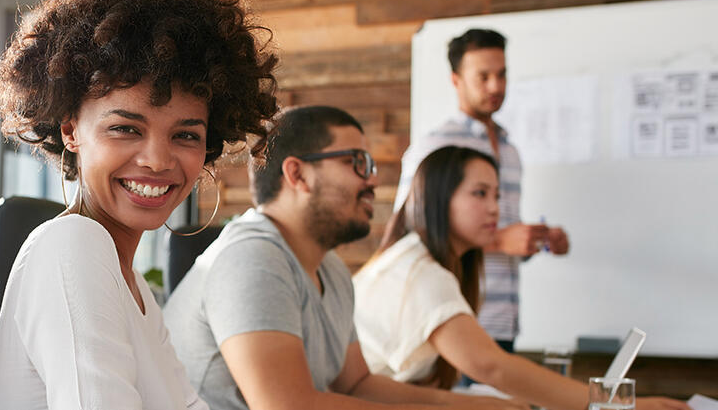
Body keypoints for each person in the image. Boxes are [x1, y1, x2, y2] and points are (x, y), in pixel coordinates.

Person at [0, 0, 279, 409]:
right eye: (125, 128)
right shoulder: (72, 245)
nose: (159, 161)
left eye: (185, 135)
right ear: (71, 130)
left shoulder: (135, 288)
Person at [163, 106, 524, 410]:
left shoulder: (330, 268)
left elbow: (357, 386)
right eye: (357, 162)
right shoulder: (251, 258)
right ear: (298, 174)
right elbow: (290, 407)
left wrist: (478, 405)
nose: (372, 180)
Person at [353, 146, 689, 410]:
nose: (495, 209)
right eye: (479, 193)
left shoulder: (420, 259)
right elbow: (492, 367)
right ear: (440, 199)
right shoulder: (421, 273)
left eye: (496, 195)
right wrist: (622, 403)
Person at [394, 28, 568, 355]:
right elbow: (409, 231)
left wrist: (535, 241)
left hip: (504, 322)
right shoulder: (436, 146)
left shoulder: (511, 152)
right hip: (453, 318)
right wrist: (501, 240)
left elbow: (492, 230)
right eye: (483, 76)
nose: (496, 86)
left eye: (502, 75)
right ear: (456, 80)